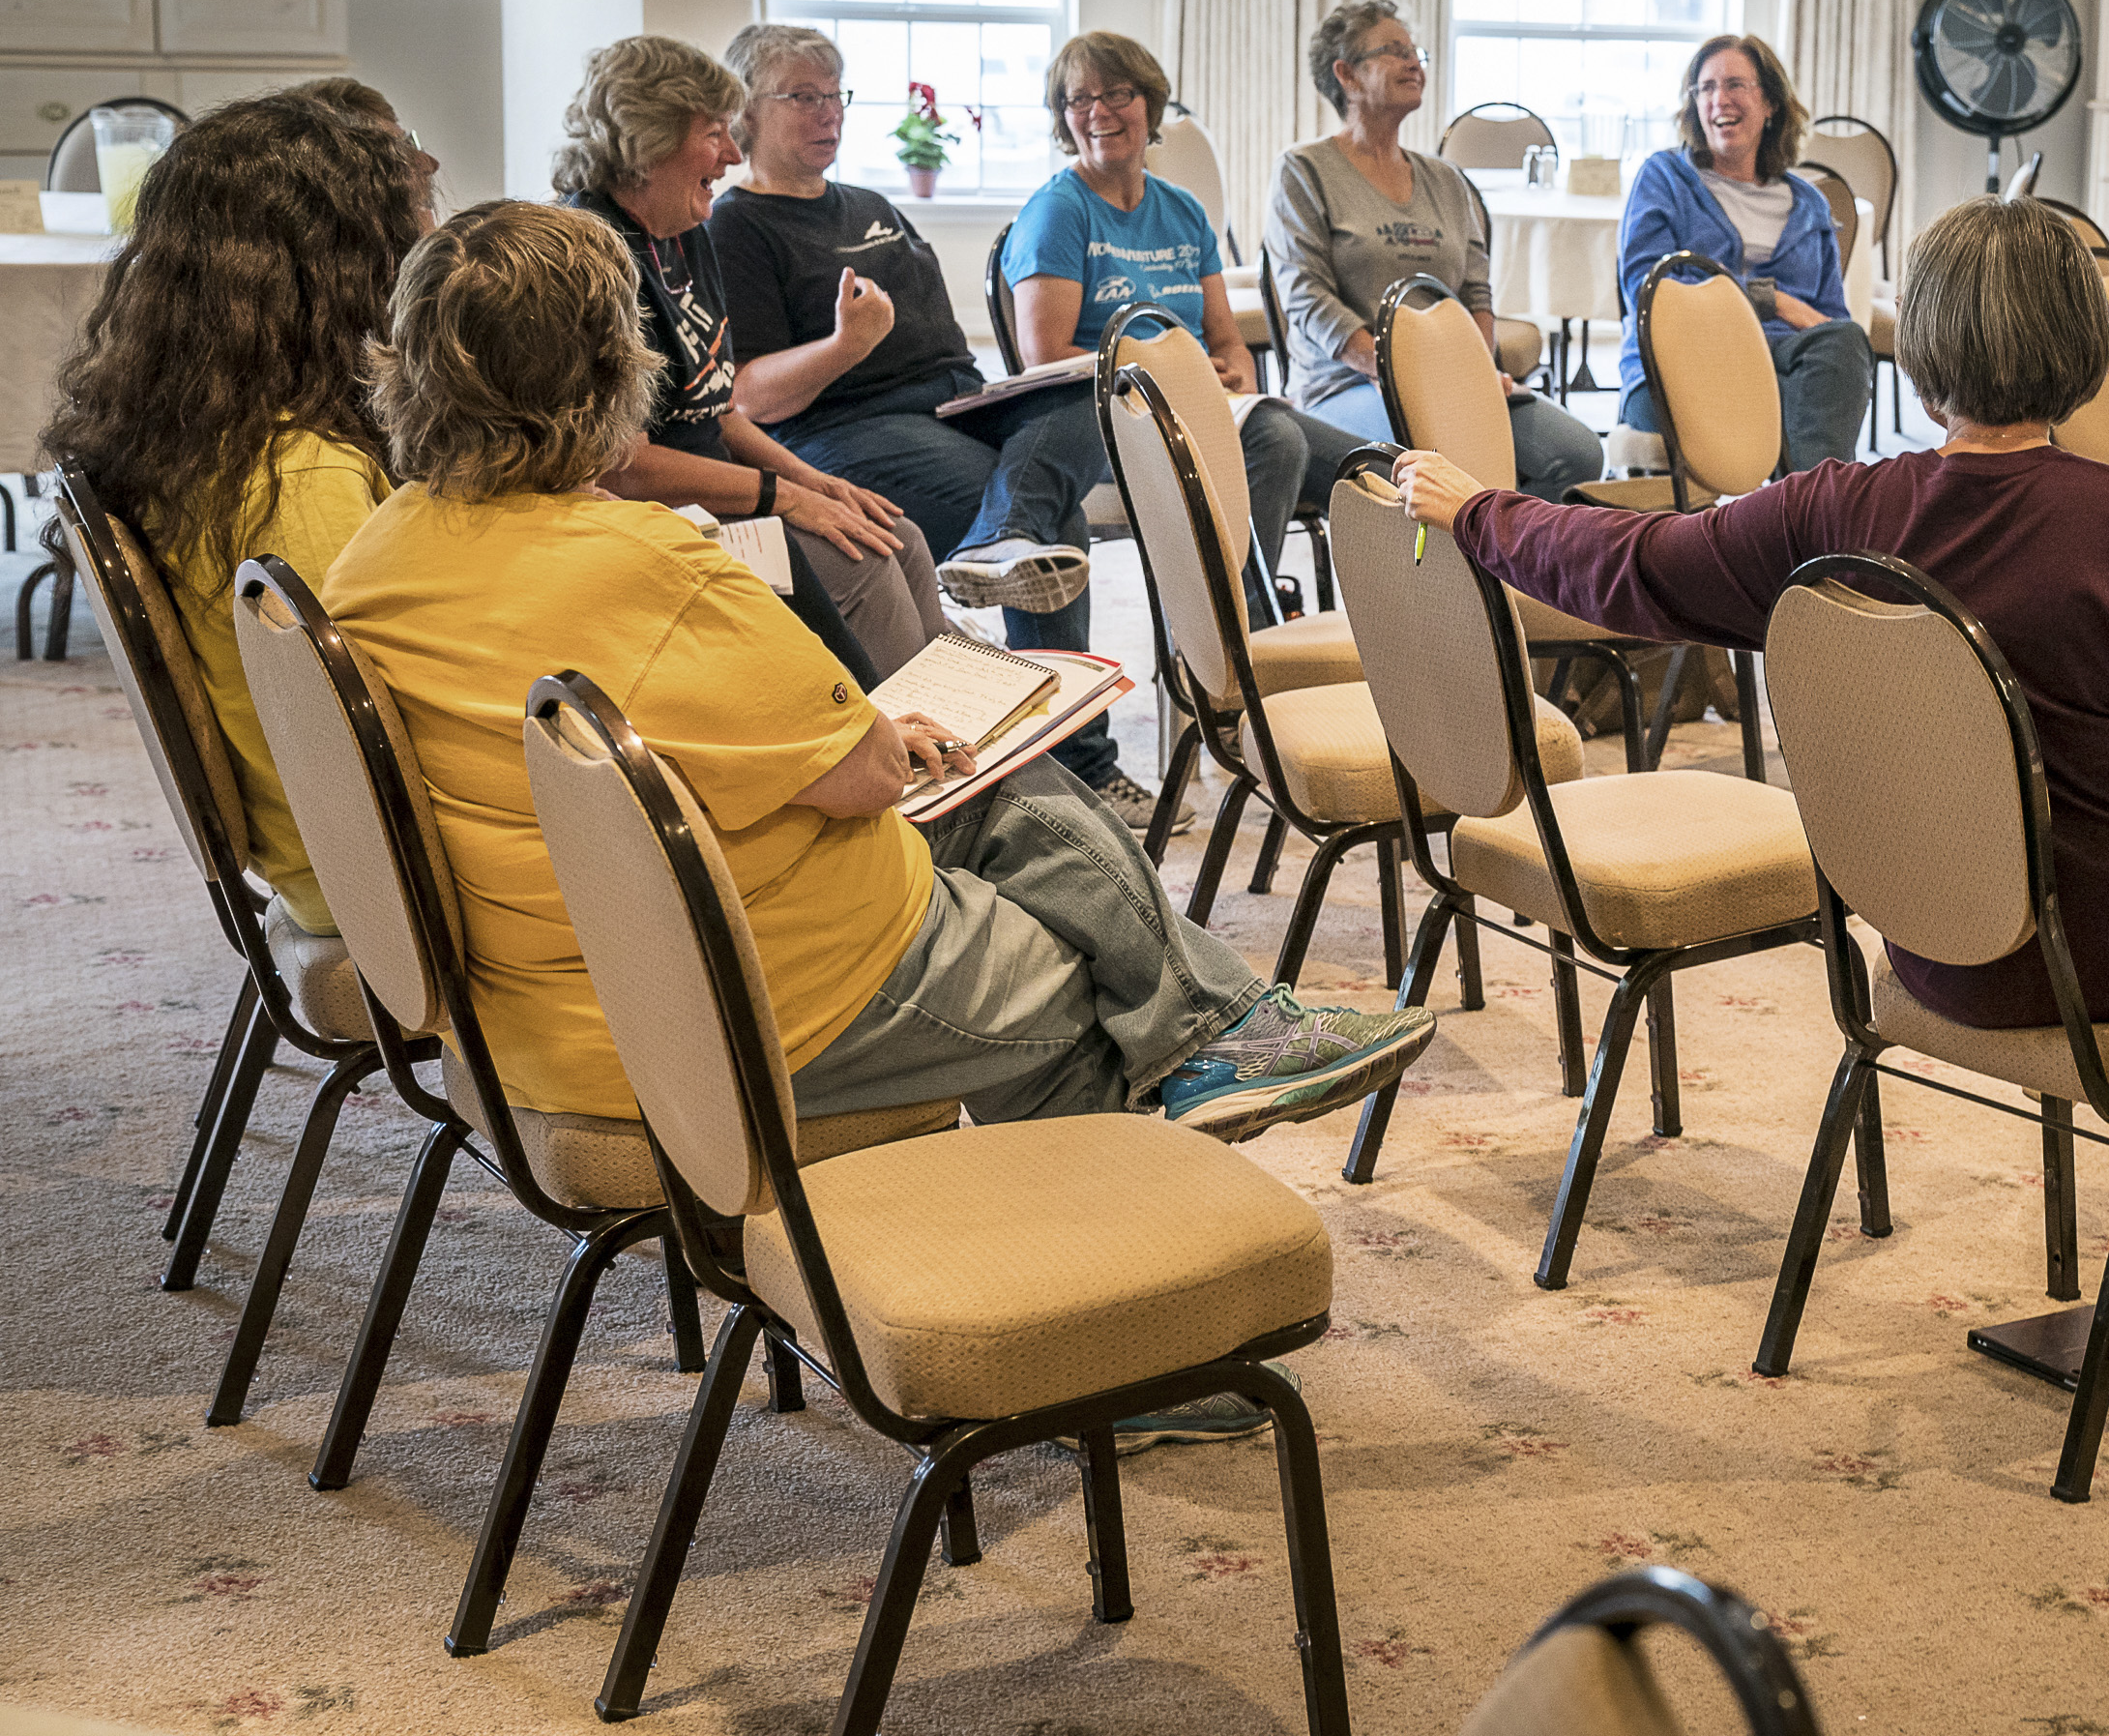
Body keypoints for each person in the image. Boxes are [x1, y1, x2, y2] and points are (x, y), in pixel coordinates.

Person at [322, 201, 1434, 1443]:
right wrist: (877, 740)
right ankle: (1105, 1355)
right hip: (749, 1003)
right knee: (1073, 965)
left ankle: (1211, 1030)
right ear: (607, 374)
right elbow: (858, 775)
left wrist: (869, 750)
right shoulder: (649, 565)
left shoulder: (374, 558)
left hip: (551, 990)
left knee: (1024, 818)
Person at [1396, 197, 2109, 1310]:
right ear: (2087, 353)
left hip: (1932, 954)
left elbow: (1630, 565)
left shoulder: (1834, 510)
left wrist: (1483, 511)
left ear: (1922, 356)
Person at [704, 24, 1151, 825]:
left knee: (1091, 397)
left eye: (833, 95)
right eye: (801, 97)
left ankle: (1002, 541)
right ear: (747, 113)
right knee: (1054, 518)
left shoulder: (872, 205)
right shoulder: (738, 226)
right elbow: (748, 398)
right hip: (848, 428)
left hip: (950, 402)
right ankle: (1075, 765)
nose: (826, 114)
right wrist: (847, 347)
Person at [42, 87, 430, 937]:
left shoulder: (194, 427)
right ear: (336, 264)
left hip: (330, 847)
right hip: (385, 877)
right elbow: (410, 714)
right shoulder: (301, 478)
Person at [551, 35, 952, 691]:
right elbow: (624, 464)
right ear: (647, 140)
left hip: (719, 493)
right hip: (657, 520)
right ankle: (897, 767)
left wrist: (812, 481)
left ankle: (969, 747)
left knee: (897, 535)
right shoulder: (588, 255)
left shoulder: (683, 232)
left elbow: (717, 409)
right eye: (714, 134)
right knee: (863, 564)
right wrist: (782, 496)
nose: (734, 154)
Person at [1002, 31, 1361, 620]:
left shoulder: (1184, 211)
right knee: (1275, 440)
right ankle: (1230, 640)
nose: (1098, 112)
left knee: (1373, 473)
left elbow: (1227, 342)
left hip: (1205, 407)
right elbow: (1046, 358)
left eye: (1116, 93)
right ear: (1063, 119)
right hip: (1114, 414)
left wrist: (1235, 372)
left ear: (1150, 103)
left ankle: (1243, 632)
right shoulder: (1057, 212)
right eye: (1078, 99)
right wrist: (1163, 373)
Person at [1264, 0, 1605, 499]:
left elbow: (1476, 293)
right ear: (1347, 75)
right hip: (1347, 384)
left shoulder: (1446, 180)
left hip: (1454, 380)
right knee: (1443, 447)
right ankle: (1435, 576)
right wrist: (1396, 370)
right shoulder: (1303, 170)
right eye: (1394, 52)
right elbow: (1306, 299)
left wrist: (1477, 372)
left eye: (1416, 52)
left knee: (1576, 452)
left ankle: (1505, 572)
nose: (1414, 63)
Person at [1613, 34, 1871, 473]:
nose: (1719, 100)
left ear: (1771, 102)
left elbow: (1830, 322)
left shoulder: (1809, 205)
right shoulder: (1664, 178)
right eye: (1706, 88)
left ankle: (1804, 523)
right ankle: (1809, 524)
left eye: (1735, 85)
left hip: (1782, 367)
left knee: (1845, 347)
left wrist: (1811, 331)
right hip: (1683, 365)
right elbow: (1649, 291)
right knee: (1807, 405)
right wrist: (1774, 302)